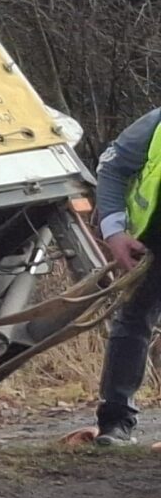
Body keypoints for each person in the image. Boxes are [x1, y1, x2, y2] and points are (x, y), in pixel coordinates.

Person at [88, 106, 161, 445]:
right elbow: (113, 168)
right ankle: (115, 423)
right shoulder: (155, 125)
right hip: (150, 244)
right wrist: (115, 232)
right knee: (133, 322)